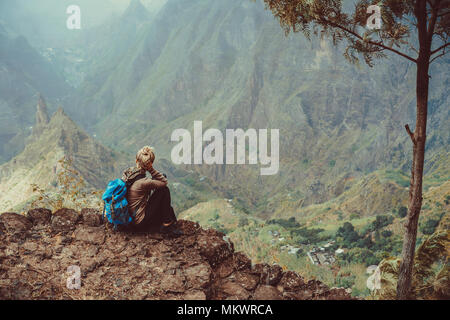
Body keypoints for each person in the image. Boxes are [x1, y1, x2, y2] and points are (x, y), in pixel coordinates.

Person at [122, 146, 182, 235]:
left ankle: (167, 220)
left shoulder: (131, 174)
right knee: (164, 190)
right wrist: (151, 169)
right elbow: (164, 182)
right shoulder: (144, 182)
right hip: (140, 222)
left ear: (136, 161)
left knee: (162, 176)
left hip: (132, 216)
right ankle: (167, 225)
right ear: (150, 163)